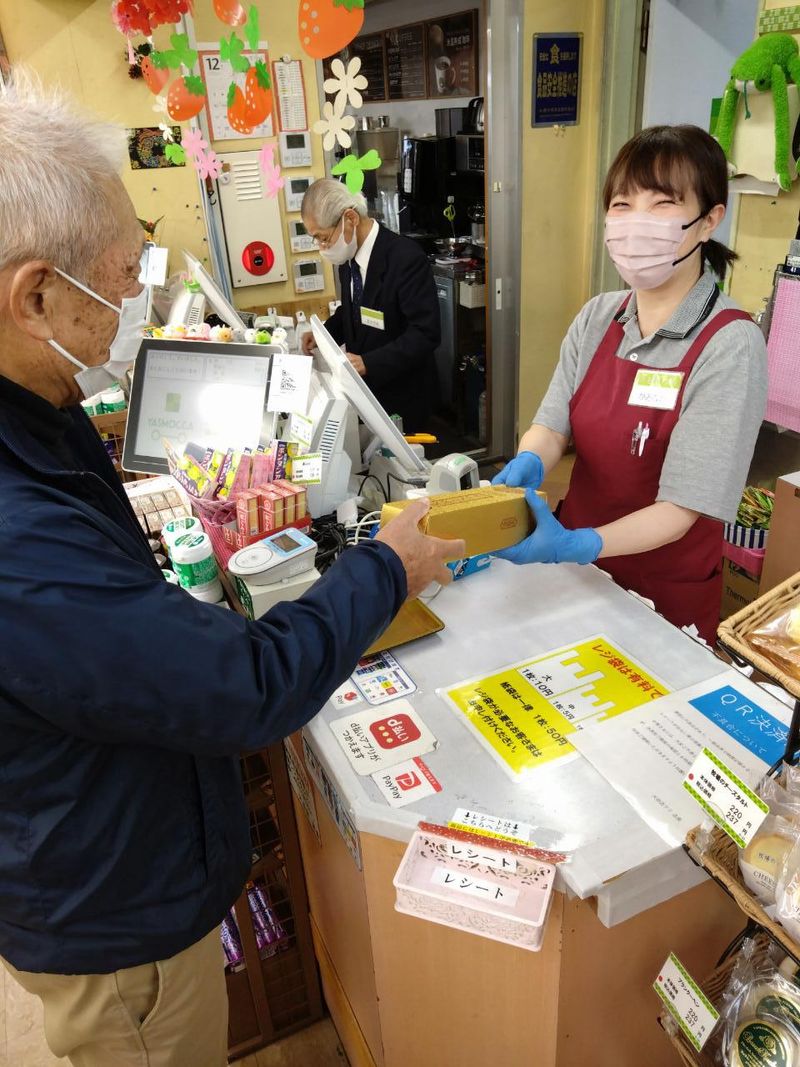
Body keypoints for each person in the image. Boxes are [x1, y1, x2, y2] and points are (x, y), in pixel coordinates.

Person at [0, 73, 463, 1067]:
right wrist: (386, 562)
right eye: (121, 274)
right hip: (112, 915)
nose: (133, 296)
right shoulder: (17, 535)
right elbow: (245, 687)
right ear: (35, 293)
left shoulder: (37, 419)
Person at [493, 125, 768, 645]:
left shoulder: (730, 343)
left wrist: (577, 543)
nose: (636, 222)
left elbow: (682, 507)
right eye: (622, 204)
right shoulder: (599, 316)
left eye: (662, 203)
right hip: (577, 571)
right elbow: (552, 426)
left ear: (710, 220)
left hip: (662, 590)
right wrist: (530, 460)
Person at [300, 178, 440, 433]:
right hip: (367, 394)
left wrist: (369, 362)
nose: (322, 247)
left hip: (404, 396)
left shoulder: (405, 258)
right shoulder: (349, 257)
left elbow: (425, 333)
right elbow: (354, 310)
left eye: (323, 238)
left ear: (350, 219)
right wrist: (324, 334)